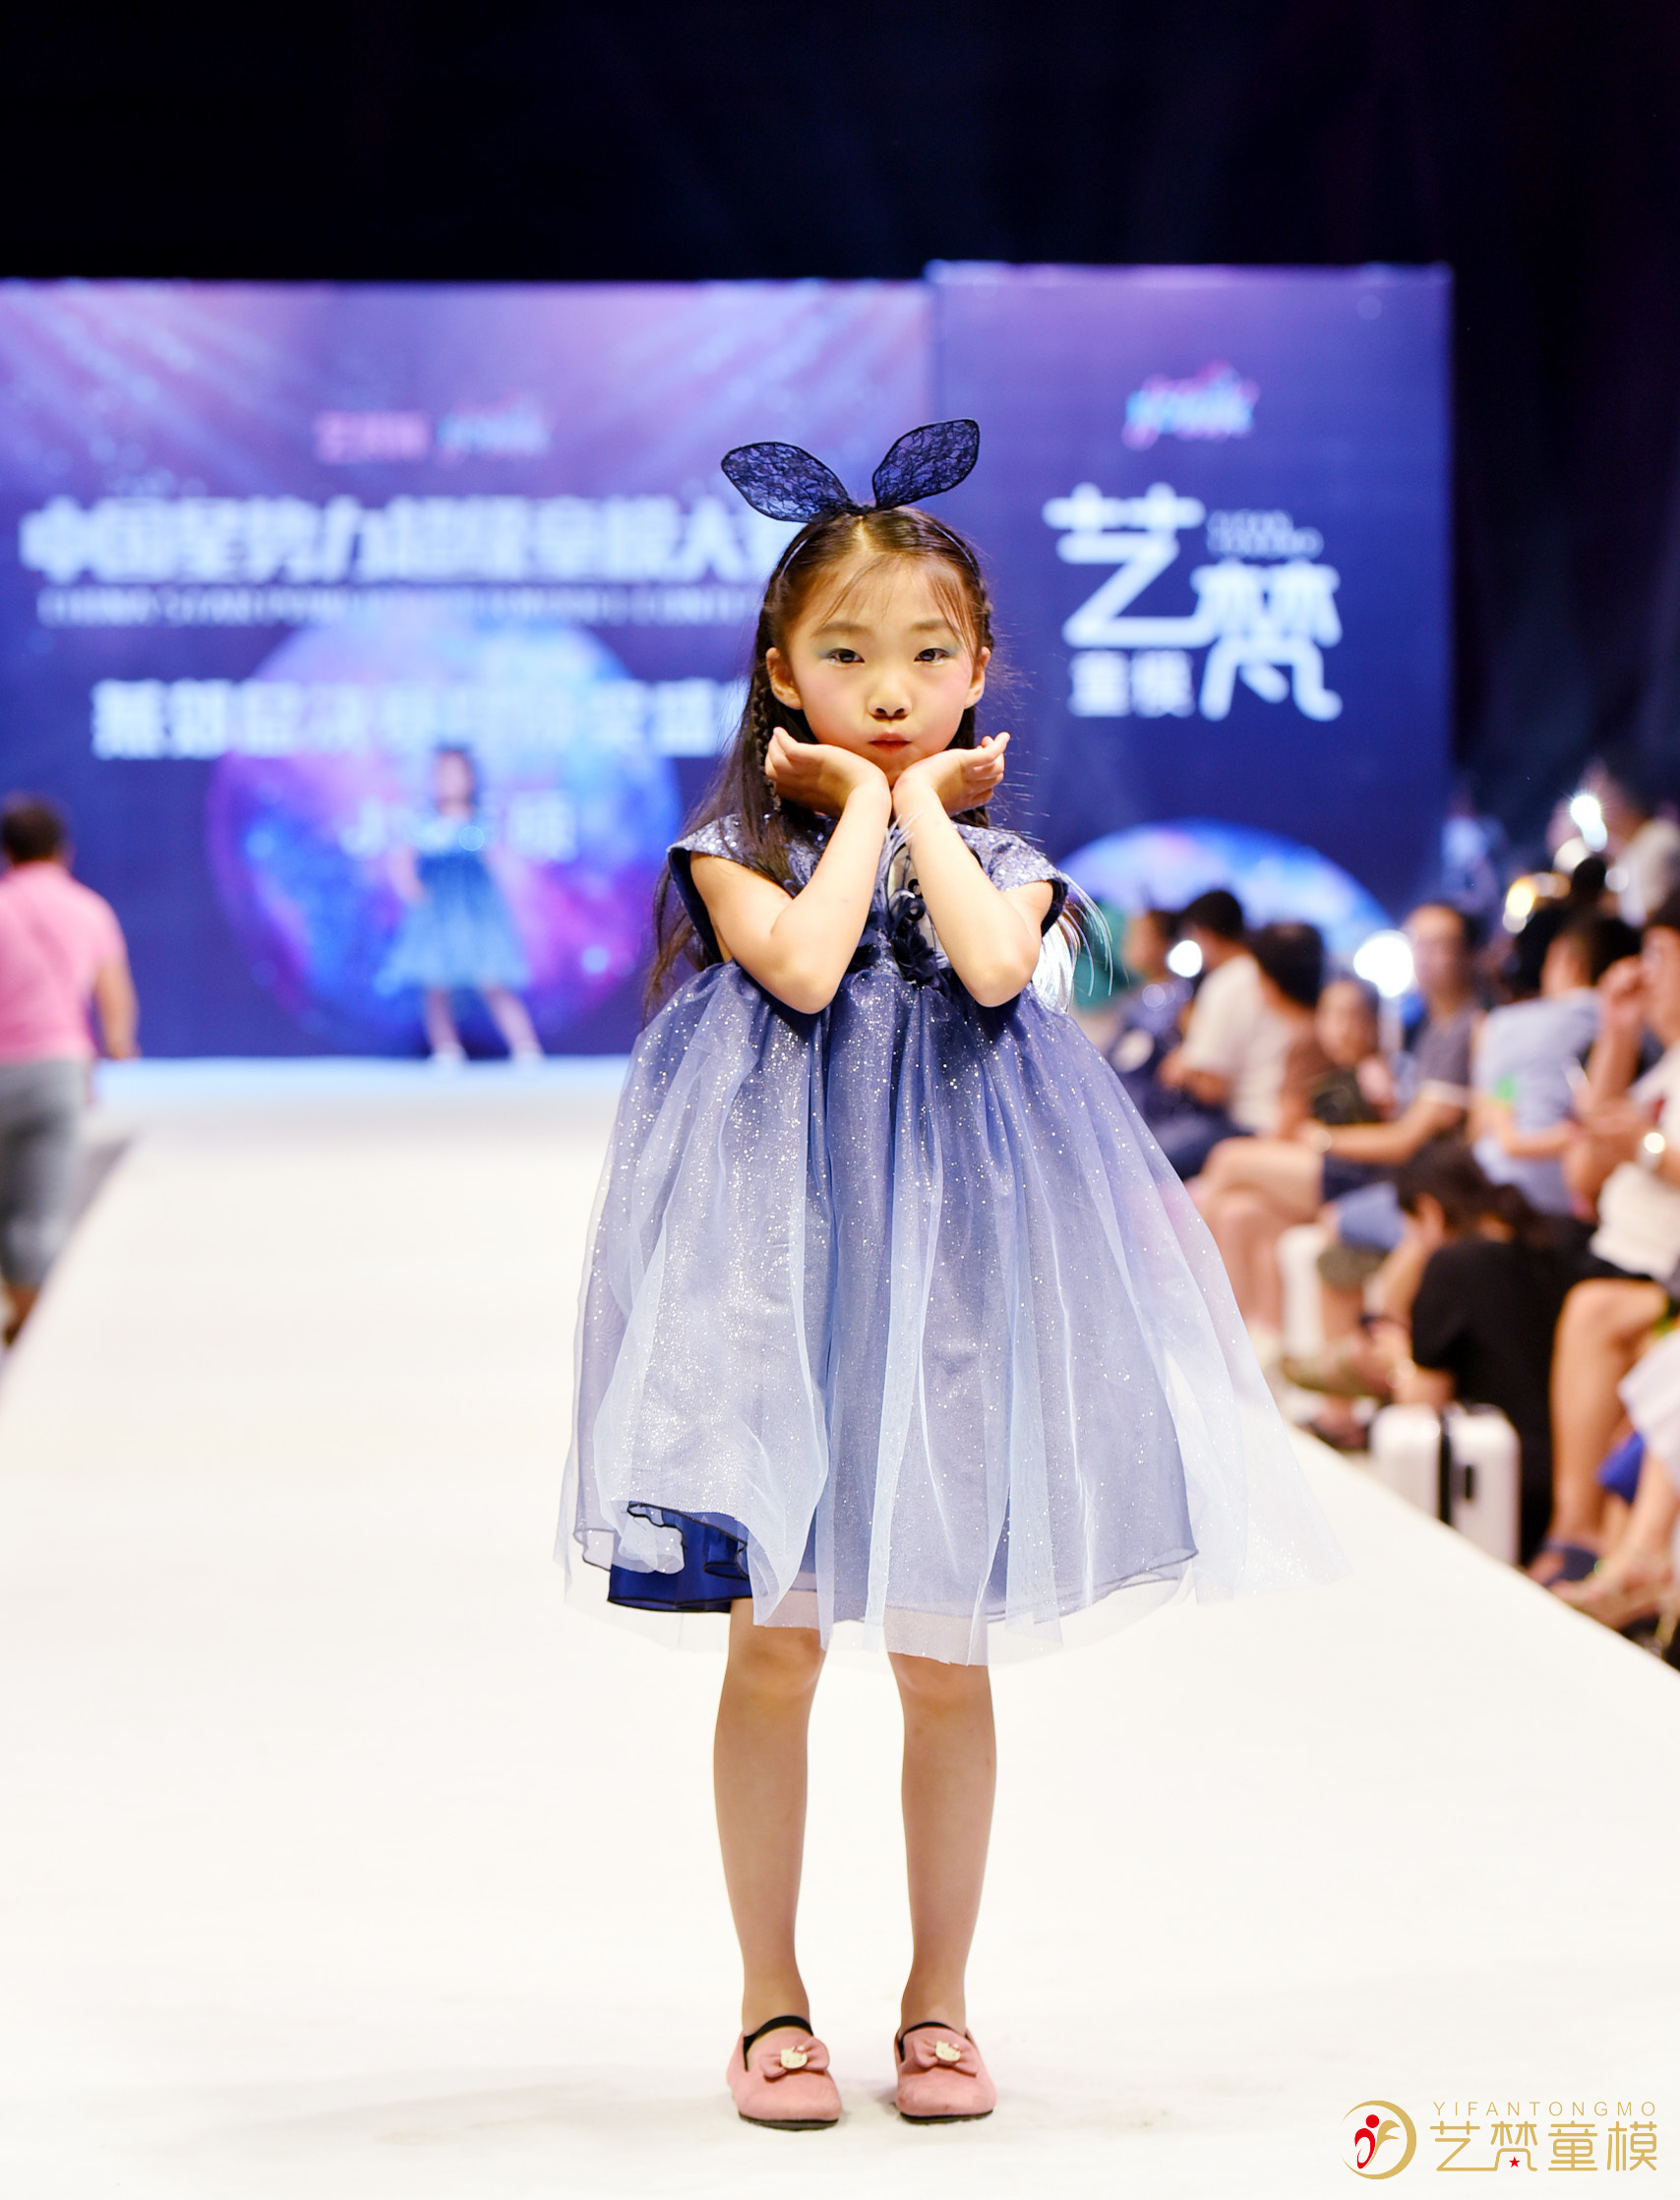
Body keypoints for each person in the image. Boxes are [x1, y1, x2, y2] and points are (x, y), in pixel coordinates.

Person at [558, 423, 1343, 2131]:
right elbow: (806, 961)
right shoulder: (731, 847)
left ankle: (937, 2004)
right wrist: (863, 809)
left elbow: (988, 971)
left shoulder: (1018, 869)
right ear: (781, 671)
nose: (891, 688)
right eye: (846, 656)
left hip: (956, 1290)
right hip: (778, 1285)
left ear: (978, 667)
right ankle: (770, 2002)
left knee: (941, 1655)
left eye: (927, 656)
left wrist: (910, 804)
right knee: (774, 1650)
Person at [1535, 891, 1680, 1583]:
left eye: (1659, 955)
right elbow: (1584, 1174)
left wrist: (1648, 1147)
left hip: (1655, 1272)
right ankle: (1577, 1533)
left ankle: (1576, 1534)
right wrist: (1617, 1034)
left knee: (1586, 1304)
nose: (1642, 974)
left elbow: (1634, 1152)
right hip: (1611, 1253)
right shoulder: (1661, 1067)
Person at [0, 796, 138, 1341]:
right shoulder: (88, 909)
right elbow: (113, 989)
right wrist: (119, 1042)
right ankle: (29, 1332)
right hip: (58, 1068)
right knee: (42, 1213)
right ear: (63, 851)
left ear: (8, 852)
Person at [1194, 971, 1389, 1333]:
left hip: (1356, 1178)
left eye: (1353, 1017)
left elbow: (1393, 1139)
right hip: (1326, 1173)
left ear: (1374, 1024)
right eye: (1332, 1015)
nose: (1342, 1028)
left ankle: (1196, 1299)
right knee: (1236, 1214)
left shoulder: (1377, 1072)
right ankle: (1240, 1335)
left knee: (1227, 1159)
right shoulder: (1329, 1063)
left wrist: (1322, 1138)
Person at [378, 744, 541, 1065]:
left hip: (477, 915)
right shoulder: (424, 824)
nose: (450, 781)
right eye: (443, 774)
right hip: (437, 914)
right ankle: (446, 1048)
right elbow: (402, 859)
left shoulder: (481, 821)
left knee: (493, 979)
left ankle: (525, 1047)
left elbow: (497, 860)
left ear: (471, 778)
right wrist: (411, 888)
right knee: (436, 984)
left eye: (457, 773)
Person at [1470, 912, 1640, 1215]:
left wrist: (1507, 1121)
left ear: (1569, 961)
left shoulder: (1504, 1024)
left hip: (1500, 1186)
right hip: (1585, 1195)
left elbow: (1486, 1116)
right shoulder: (1641, 1028)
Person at [1149, 889, 1295, 1176]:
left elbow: (1213, 1089)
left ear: (1203, 934)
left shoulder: (1225, 983)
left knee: (1143, 1158)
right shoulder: (1263, 974)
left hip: (1245, 1125)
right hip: (1273, 1119)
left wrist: (1184, 1067)